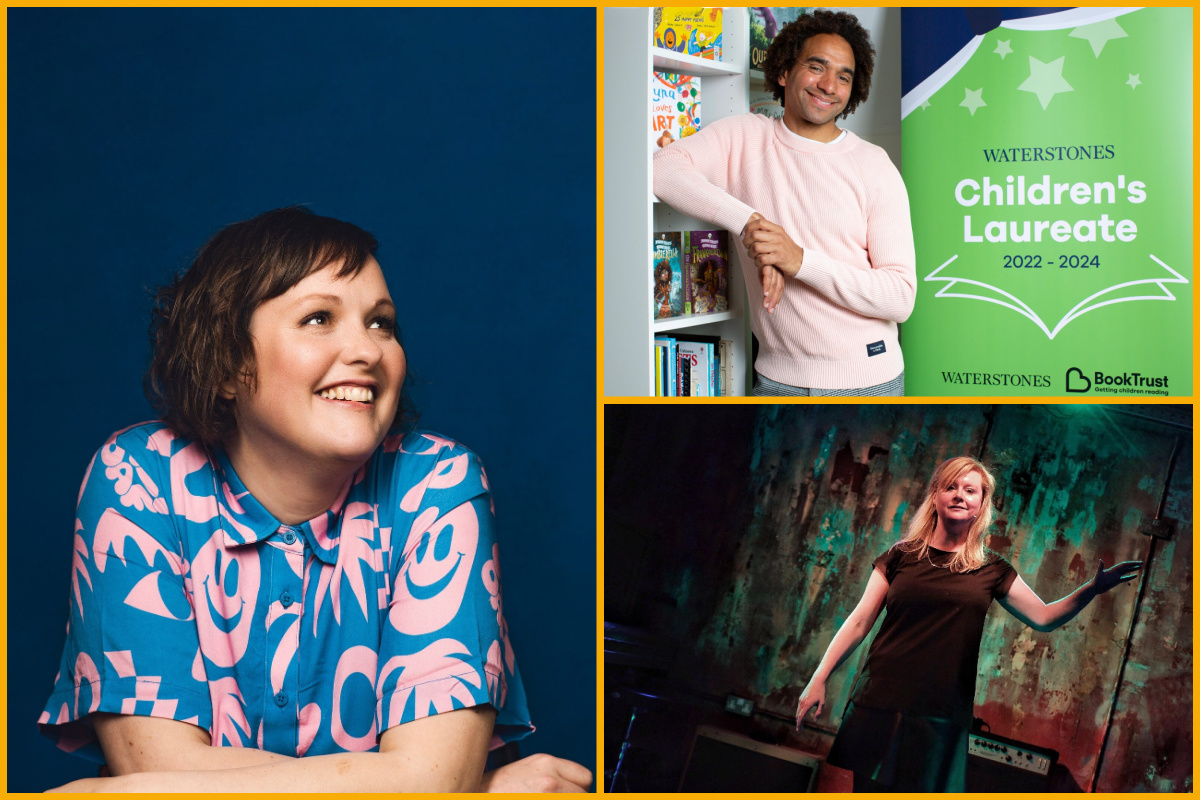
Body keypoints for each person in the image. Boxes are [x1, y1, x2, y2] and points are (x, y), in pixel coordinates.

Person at [39, 207, 592, 793]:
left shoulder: (439, 483)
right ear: (226, 363)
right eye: (319, 318)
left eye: (382, 323)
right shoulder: (136, 477)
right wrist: (470, 790)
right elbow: (155, 769)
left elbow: (429, 781)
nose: (368, 350)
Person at [793, 456, 1142, 792]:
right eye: (951, 487)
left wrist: (1092, 589)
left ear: (980, 505)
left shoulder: (992, 568)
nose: (960, 494)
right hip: (880, 699)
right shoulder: (900, 555)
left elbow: (1044, 617)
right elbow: (857, 622)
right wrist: (818, 678)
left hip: (941, 711)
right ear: (935, 496)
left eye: (970, 490)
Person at [653, 10, 916, 397]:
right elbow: (662, 170)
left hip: (870, 381)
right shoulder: (742, 137)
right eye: (816, 66)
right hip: (777, 382)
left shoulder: (873, 164)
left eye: (843, 76)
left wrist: (798, 260)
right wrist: (752, 225)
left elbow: (900, 297)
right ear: (783, 72)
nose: (829, 85)